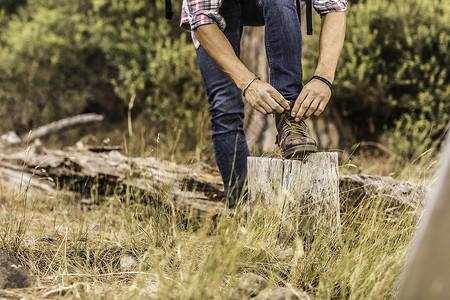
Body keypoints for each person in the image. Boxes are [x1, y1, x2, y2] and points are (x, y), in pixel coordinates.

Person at [180, 0, 347, 206]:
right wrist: (248, 83)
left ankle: (289, 119)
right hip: (214, 11)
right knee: (224, 106)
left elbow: (334, 7)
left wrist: (323, 78)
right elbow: (202, 18)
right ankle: (242, 211)